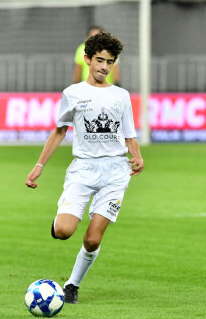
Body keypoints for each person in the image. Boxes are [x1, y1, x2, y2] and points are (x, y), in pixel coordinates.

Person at [25, 31, 144, 303]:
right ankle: (59, 223)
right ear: (87, 59)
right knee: (64, 232)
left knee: (92, 240)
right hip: (83, 170)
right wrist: (39, 165)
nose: (104, 67)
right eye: (100, 60)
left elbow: (129, 134)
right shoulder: (73, 93)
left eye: (110, 62)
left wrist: (137, 156)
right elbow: (59, 131)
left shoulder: (121, 96)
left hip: (115, 173)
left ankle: (72, 285)